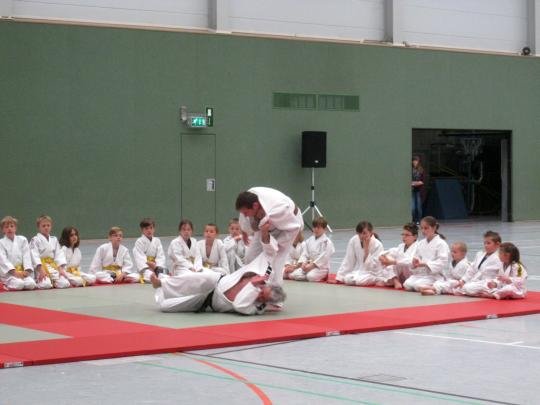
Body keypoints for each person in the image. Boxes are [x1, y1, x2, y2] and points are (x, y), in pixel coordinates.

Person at [152, 222, 285, 315]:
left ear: (267, 302)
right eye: (263, 291)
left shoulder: (257, 307)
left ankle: (162, 275)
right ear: (269, 285)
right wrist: (265, 232)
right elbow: (270, 253)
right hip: (218, 280)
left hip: (209, 300)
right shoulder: (266, 272)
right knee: (201, 277)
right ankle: (161, 282)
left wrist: (252, 285)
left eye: (263, 297)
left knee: (165, 307)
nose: (259, 294)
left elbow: (239, 305)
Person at [236, 187, 303, 285]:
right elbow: (244, 213)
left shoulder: (280, 209)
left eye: (246, 213)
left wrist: (267, 237)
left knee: (276, 262)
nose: (245, 215)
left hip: (288, 225)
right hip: (265, 223)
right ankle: (252, 286)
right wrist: (244, 230)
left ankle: (275, 290)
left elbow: (294, 228)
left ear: (255, 206)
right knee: (250, 257)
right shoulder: (249, 196)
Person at [403, 216, 450, 292]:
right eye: (422, 228)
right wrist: (415, 263)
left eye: (426, 228)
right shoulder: (421, 243)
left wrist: (425, 264)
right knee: (407, 284)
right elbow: (416, 258)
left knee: (417, 285)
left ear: (434, 228)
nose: (423, 231)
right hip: (421, 274)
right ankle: (429, 287)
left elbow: (442, 262)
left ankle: (435, 287)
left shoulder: (441, 244)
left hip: (434, 275)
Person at [454, 231, 502, 298]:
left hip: (487, 284)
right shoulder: (480, 254)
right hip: (475, 282)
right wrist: (463, 280)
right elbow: (472, 269)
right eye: (484, 243)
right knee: (456, 287)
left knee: (467, 288)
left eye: (488, 243)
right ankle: (482, 293)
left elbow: (501, 275)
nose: (486, 245)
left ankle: (491, 293)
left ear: (497, 244)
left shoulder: (500, 258)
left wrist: (495, 283)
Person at [335, 221, 385, 286]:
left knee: (359, 281)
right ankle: (354, 278)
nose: (361, 236)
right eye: (359, 233)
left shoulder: (378, 245)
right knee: (347, 278)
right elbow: (349, 260)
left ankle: (376, 280)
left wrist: (366, 250)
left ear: (371, 232)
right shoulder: (354, 240)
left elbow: (375, 267)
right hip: (361, 272)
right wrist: (340, 276)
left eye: (364, 233)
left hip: (373, 274)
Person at [29, 215, 70, 289]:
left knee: (65, 283)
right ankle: (38, 282)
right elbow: (34, 256)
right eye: (43, 226)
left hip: (53, 267)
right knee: (46, 285)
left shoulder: (54, 239)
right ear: (38, 227)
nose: (46, 227)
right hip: (41, 268)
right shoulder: (35, 240)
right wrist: (41, 270)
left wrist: (60, 269)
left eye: (48, 225)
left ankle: (54, 282)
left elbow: (59, 255)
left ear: (51, 226)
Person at [288, 217, 334, 282]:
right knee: (293, 275)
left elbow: (324, 258)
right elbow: (305, 254)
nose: (316, 229)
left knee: (310, 276)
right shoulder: (309, 240)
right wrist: (303, 264)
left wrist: (311, 266)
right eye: (314, 227)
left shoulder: (327, 242)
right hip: (308, 265)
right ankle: (306, 275)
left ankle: (324, 275)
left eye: (318, 228)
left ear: (324, 229)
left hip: (320, 268)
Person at [0, 216, 36, 291]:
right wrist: (14, 272)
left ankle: (21, 280)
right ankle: (5, 284)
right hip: (9, 274)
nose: (9, 228)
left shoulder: (22, 240)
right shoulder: (1, 242)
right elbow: (3, 260)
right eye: (6, 227)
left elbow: (26, 256)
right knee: (19, 284)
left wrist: (27, 271)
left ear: (15, 228)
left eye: (11, 226)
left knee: (31, 284)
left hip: (22, 271)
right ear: (3, 230)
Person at [378, 223, 419, 289]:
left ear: (415, 236)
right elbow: (389, 252)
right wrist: (382, 256)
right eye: (403, 234)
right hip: (401, 275)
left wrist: (394, 262)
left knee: (396, 262)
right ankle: (395, 281)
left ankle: (392, 281)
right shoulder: (401, 246)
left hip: (412, 274)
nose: (404, 237)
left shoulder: (419, 247)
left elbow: (411, 261)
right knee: (387, 260)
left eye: (407, 235)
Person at [133, 218, 167, 283]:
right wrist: (148, 267)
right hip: (145, 269)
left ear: (154, 229)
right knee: (150, 275)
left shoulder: (157, 241)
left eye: (151, 228)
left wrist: (156, 267)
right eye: (146, 228)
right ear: (142, 230)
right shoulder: (139, 242)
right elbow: (140, 258)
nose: (149, 230)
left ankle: (158, 277)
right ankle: (154, 278)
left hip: (156, 267)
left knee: (163, 276)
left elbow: (160, 256)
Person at [411, 155, 425, 224]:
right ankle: (414, 220)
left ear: (418, 162)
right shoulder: (410, 170)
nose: (415, 162)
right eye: (414, 160)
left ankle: (419, 220)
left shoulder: (421, 170)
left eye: (416, 161)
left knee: (419, 207)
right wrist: (416, 183)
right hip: (412, 190)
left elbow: (422, 181)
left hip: (419, 190)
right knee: (413, 207)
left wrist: (414, 183)